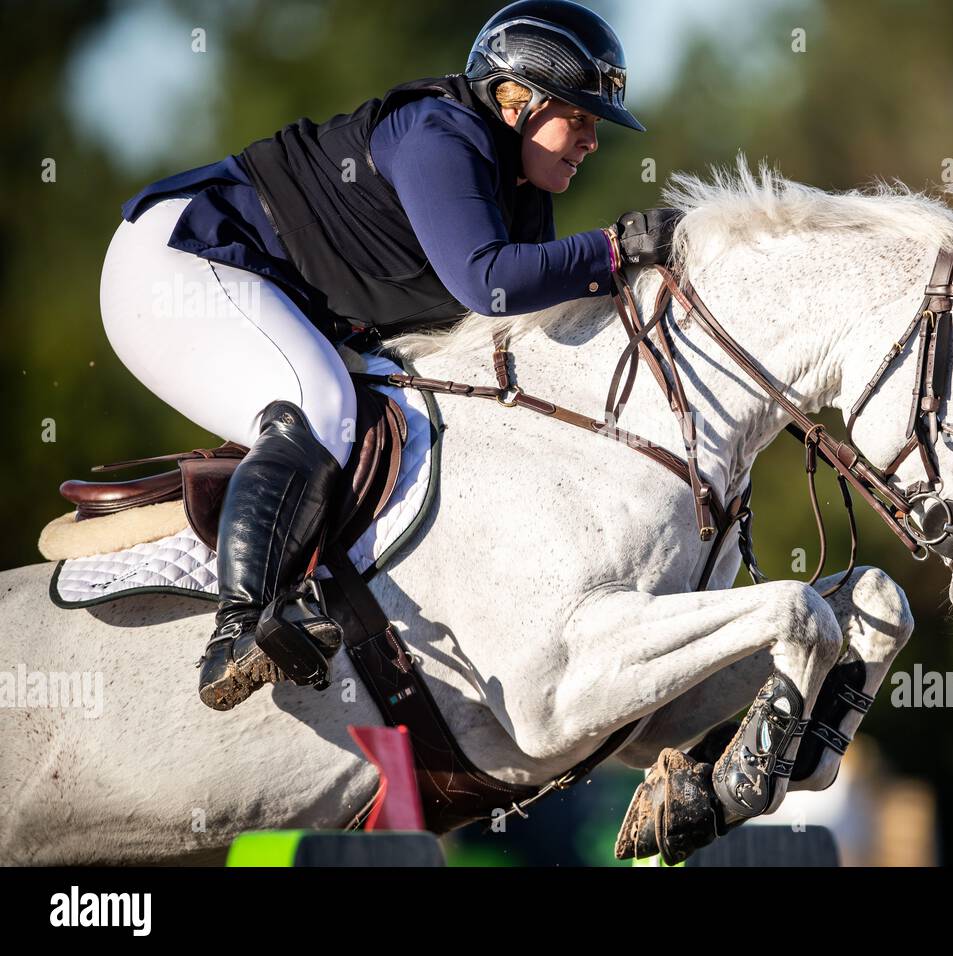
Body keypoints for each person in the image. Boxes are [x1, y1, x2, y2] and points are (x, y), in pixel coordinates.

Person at [98, 0, 682, 712]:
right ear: (514, 98)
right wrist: (616, 249)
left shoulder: (521, 189)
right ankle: (240, 629)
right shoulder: (441, 132)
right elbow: (488, 280)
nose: (592, 140)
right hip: (182, 260)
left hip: (264, 289)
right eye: (579, 117)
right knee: (322, 406)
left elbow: (506, 330)